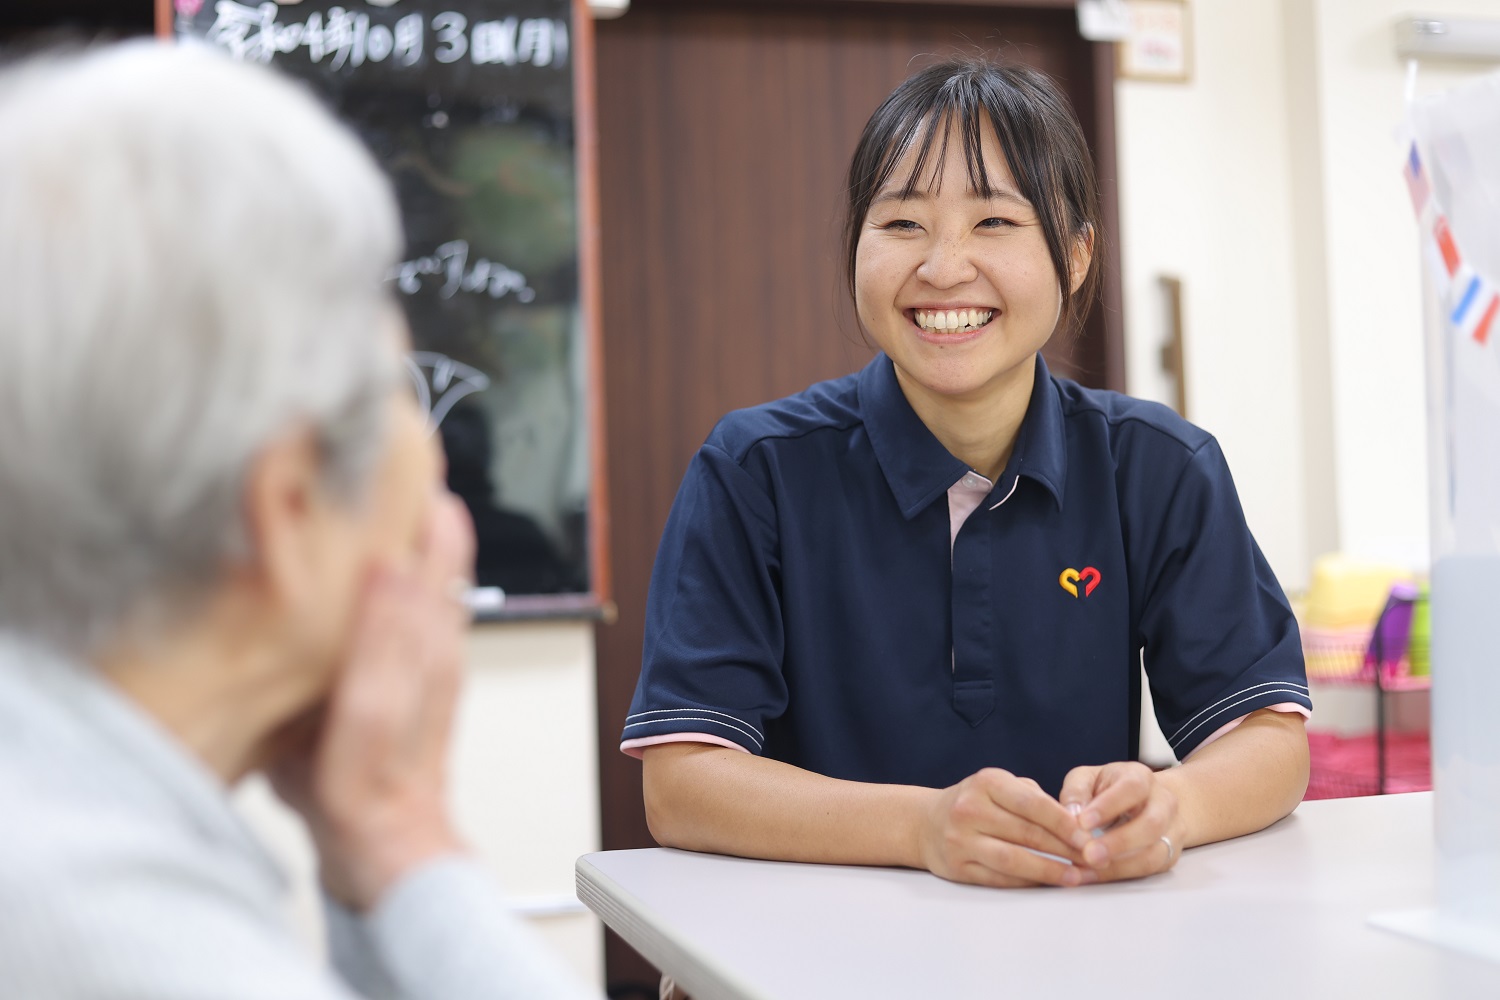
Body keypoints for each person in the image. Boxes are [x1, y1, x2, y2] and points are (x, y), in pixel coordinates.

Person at [623, 57, 1312, 891]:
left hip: (1074, 932)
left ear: (1077, 255)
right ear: (855, 248)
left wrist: (1176, 805)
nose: (944, 267)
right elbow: (683, 784)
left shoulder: (1158, 467)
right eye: (902, 223)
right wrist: (921, 829)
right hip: (816, 942)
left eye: (994, 222)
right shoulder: (754, 470)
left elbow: (1269, 739)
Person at [0, 42, 598, 999]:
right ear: (287, 509)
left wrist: (380, 839)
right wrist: (415, 834)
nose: (434, 460)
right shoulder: (115, 940)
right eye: (396, 392)